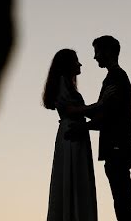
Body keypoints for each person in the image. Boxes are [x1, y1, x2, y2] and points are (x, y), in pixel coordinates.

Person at [84, 35, 131, 221]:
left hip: (117, 148)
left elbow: (106, 115)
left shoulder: (116, 77)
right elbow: (103, 112)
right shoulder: (114, 77)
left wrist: (78, 114)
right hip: (117, 148)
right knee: (122, 203)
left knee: (123, 203)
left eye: (97, 52)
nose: (95, 57)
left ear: (107, 51)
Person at [43, 49, 98, 221]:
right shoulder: (63, 84)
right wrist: (100, 106)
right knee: (74, 178)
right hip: (72, 134)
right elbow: (71, 109)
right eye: (76, 61)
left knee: (76, 179)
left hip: (76, 133)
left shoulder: (67, 85)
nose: (80, 64)